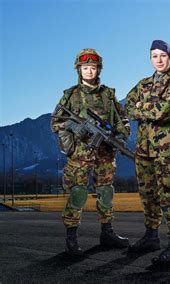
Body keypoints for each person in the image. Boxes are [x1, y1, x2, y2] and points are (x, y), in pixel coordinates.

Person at [51, 48, 131, 257]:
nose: (89, 71)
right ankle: (71, 237)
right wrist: (71, 126)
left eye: (93, 68)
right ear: (79, 70)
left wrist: (122, 135)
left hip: (105, 153)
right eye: (85, 68)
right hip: (79, 155)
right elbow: (56, 122)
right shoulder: (70, 95)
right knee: (78, 192)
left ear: (98, 70)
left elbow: (122, 119)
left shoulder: (108, 94)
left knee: (106, 191)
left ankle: (107, 232)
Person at [125, 40, 170, 267]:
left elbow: (163, 112)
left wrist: (142, 109)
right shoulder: (143, 84)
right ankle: (151, 236)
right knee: (147, 194)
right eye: (154, 56)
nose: (158, 60)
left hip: (167, 149)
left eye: (162, 55)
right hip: (144, 148)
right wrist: (145, 108)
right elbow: (128, 106)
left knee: (169, 195)